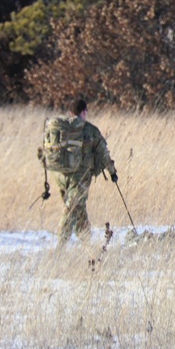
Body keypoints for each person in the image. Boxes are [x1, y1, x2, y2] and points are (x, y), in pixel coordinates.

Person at [54, 98, 118, 246]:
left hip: (63, 175)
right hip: (81, 176)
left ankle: (86, 241)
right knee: (73, 207)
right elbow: (103, 153)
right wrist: (112, 171)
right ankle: (61, 244)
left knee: (78, 206)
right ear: (84, 112)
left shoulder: (63, 128)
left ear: (71, 112)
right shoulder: (91, 130)